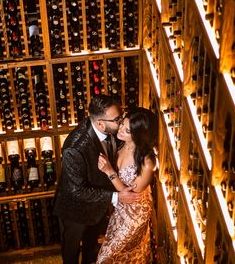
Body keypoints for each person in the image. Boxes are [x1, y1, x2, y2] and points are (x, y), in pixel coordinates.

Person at [53, 95, 141, 264]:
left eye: (121, 116)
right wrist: (115, 197)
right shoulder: (74, 147)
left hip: (97, 205)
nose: (122, 122)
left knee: (91, 245)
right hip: (74, 208)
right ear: (100, 123)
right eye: (117, 119)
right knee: (71, 251)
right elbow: (76, 190)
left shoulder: (113, 130)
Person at [96, 107, 158, 263]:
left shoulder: (148, 162)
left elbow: (130, 195)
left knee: (106, 257)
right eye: (122, 124)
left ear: (138, 135)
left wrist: (109, 171)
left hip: (136, 214)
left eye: (127, 130)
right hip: (120, 209)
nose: (121, 130)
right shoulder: (121, 143)